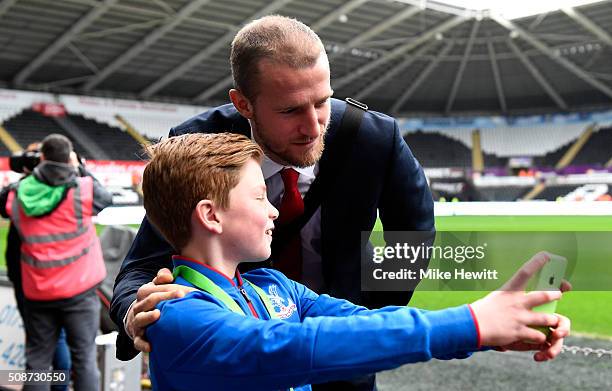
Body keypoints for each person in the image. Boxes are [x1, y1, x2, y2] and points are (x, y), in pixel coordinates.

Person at [112, 15, 423, 389]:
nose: (313, 127)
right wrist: (136, 311)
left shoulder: (374, 137)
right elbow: (142, 263)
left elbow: (413, 233)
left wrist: (372, 309)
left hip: (341, 352)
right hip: (244, 357)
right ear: (243, 103)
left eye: (323, 102)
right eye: (290, 110)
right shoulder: (196, 144)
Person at [141, 133, 570, 391]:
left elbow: (363, 323)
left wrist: (492, 333)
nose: (274, 209)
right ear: (210, 215)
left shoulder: (273, 285)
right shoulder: (178, 316)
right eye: (258, 197)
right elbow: (303, 345)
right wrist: (473, 323)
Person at [0, 134, 113, 391]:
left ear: (41, 158)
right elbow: (106, 199)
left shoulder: (18, 193)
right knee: (83, 360)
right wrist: (79, 167)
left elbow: (3, 199)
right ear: (68, 158)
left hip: (37, 290)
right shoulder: (82, 188)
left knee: (37, 361)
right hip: (79, 290)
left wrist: (34, 173)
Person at [3, 142, 71, 391]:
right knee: (52, 341)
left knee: (43, 345)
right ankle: (58, 386)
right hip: (54, 277)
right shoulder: (63, 188)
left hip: (33, 280)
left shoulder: (27, 191)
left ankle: (57, 386)